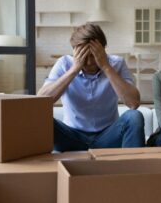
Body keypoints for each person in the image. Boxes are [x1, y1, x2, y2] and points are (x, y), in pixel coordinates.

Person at [38, 23, 145, 152]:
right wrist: (74, 69)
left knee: (134, 116)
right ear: (74, 52)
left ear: (103, 50)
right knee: (41, 118)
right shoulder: (64, 64)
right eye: (84, 56)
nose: (89, 62)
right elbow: (40, 101)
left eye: (93, 55)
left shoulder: (116, 63)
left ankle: (135, 170)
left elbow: (134, 103)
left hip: (107, 137)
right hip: (72, 137)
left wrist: (106, 66)